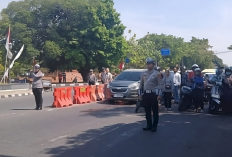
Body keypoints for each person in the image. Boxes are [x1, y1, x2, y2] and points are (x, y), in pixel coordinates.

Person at [139, 57, 162, 132]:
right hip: (146, 94)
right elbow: (141, 85)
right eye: (147, 64)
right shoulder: (144, 73)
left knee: (155, 110)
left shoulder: (157, 74)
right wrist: (140, 94)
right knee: (147, 110)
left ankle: (154, 126)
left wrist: (159, 95)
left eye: (149, 64)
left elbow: (160, 85)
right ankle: (149, 125)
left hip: (153, 94)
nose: (148, 65)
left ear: (153, 64)